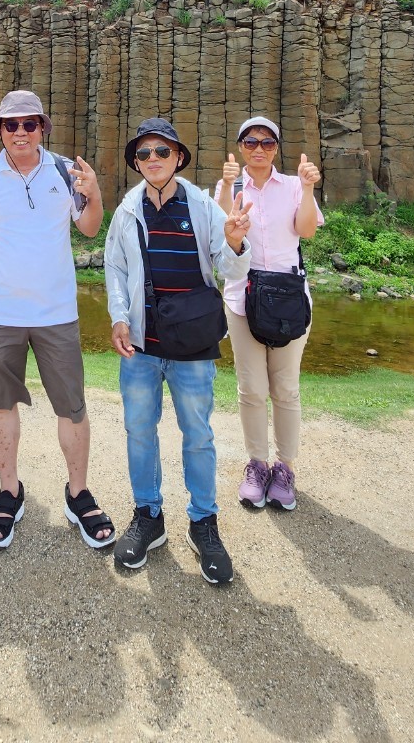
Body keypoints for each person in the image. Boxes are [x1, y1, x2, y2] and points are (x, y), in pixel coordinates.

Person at [0, 89, 115, 551]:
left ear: (42, 128)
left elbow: (89, 228)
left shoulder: (64, 171)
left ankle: (78, 493)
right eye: (11, 125)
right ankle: (8, 491)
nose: (20, 132)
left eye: (29, 124)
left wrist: (95, 194)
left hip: (56, 313)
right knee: (2, 404)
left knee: (72, 406)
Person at [104, 119, 253, 584]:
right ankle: (148, 516)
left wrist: (235, 241)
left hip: (193, 342)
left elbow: (229, 269)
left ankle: (203, 521)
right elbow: (114, 267)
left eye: (162, 152)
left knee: (198, 434)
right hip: (142, 345)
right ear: (136, 162)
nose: (153, 159)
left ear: (179, 158)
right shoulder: (127, 210)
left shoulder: (202, 206)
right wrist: (118, 317)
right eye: (144, 153)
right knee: (139, 431)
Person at [215, 116, 323, 513]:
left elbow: (306, 230)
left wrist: (308, 188)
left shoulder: (294, 185)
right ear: (240, 147)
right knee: (252, 389)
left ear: (276, 148)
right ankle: (257, 465)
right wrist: (226, 189)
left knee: (286, 389)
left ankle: (285, 468)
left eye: (267, 142)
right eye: (250, 142)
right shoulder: (230, 187)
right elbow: (220, 234)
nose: (258, 149)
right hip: (242, 299)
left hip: (288, 299)